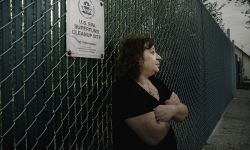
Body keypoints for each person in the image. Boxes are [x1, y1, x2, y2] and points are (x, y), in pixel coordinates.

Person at [112, 36, 189, 150]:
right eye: (153, 52)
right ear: (137, 57)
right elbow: (154, 136)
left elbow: (184, 113)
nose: (159, 57)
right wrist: (170, 109)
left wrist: (174, 110)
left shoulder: (156, 82)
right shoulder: (126, 89)